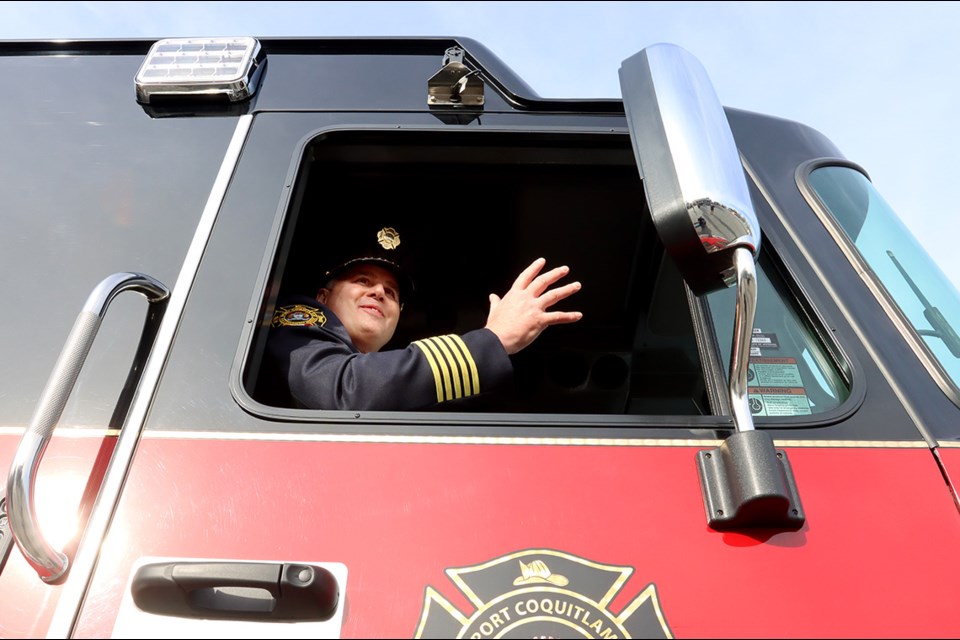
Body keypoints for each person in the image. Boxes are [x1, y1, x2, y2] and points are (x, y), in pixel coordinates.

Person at [263, 224, 582, 411]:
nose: (379, 293)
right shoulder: (297, 320)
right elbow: (342, 389)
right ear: (322, 297)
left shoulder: (388, 382)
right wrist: (493, 341)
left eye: (391, 292)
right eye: (363, 281)